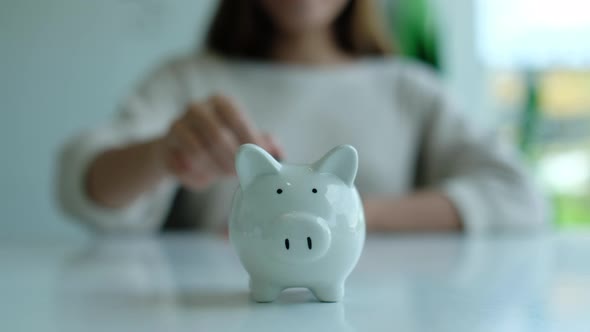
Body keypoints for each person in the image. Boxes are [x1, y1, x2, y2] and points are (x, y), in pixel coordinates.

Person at [57, 0, 548, 233]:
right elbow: (83, 184)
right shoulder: (188, 80)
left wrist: (349, 217)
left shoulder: (407, 88)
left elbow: (519, 198)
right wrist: (163, 153)